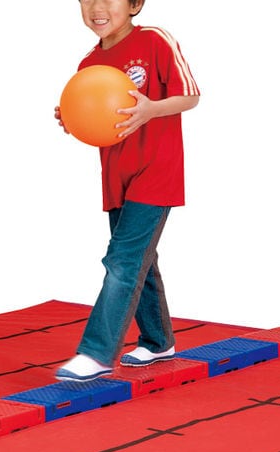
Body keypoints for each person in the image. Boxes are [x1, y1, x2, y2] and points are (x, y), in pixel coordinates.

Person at [54, 0, 199, 381]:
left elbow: (191, 96)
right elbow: (96, 119)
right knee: (139, 260)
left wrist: (151, 109)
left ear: (135, 4)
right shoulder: (88, 64)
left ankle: (97, 352)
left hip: (156, 171)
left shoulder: (155, 41)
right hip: (117, 177)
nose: (97, 7)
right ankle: (158, 341)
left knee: (122, 260)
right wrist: (73, 117)